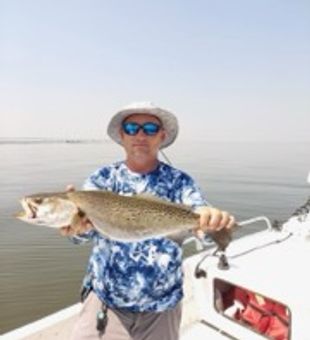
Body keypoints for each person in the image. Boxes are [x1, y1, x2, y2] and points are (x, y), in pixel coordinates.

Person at [61, 102, 235, 340]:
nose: (140, 134)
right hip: (108, 302)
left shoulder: (180, 182)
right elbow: (85, 234)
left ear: (162, 136)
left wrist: (212, 219)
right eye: (132, 127)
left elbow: (199, 213)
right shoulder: (102, 179)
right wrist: (76, 229)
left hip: (163, 308)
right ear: (122, 136)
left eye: (150, 128)